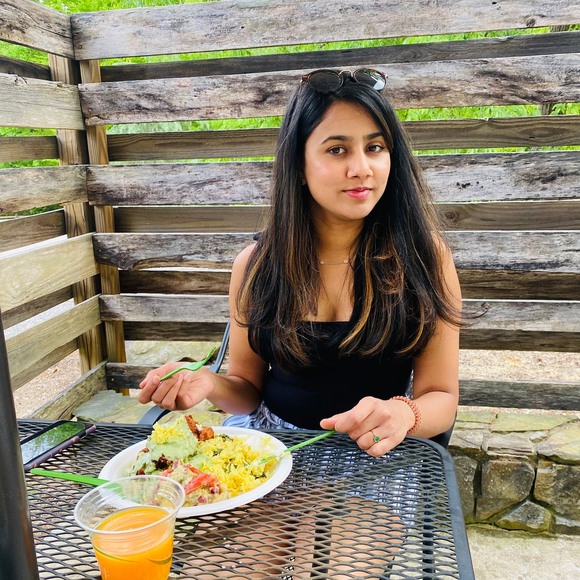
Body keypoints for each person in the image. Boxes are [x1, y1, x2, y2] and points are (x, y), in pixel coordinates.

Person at [138, 68, 462, 457]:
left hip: (378, 449)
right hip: (273, 446)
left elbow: (441, 397)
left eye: (375, 147)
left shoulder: (426, 258)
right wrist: (209, 383)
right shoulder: (256, 266)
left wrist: (404, 413)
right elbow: (246, 390)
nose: (362, 168)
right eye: (337, 150)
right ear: (299, 166)